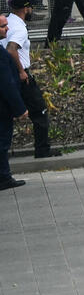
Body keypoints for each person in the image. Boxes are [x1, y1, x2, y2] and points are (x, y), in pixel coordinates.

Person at [1, 0, 60, 159]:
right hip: (21, 77)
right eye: (30, 7)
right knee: (39, 111)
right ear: (25, 9)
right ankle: (43, 150)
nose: (31, 10)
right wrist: (21, 71)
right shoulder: (19, 28)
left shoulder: (7, 21)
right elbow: (11, 49)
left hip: (6, 75)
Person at [0, 13, 29, 191]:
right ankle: (3, 177)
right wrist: (19, 109)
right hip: (2, 108)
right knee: (2, 142)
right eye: (3, 26)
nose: (7, 28)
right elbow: (7, 84)